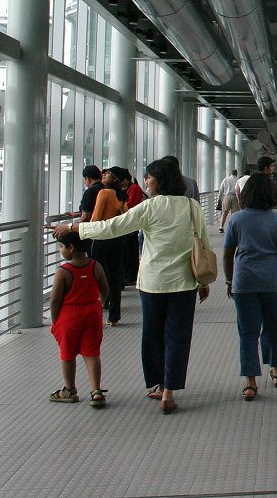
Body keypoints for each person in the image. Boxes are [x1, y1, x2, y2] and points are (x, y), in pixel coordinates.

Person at [53, 158, 210, 415]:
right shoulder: (192, 207)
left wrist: (72, 227)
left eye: (149, 177)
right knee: (178, 337)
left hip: (153, 283)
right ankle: (169, 391)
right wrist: (202, 281)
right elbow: (203, 244)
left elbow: (111, 227)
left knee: (153, 335)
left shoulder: (149, 207)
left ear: (160, 179)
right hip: (184, 282)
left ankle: (159, 384)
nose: (145, 181)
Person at [224, 172, 277, 400]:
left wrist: (229, 279)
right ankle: (276, 369)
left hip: (243, 282)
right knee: (274, 327)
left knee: (247, 332)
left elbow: (227, 254)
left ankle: (251, 381)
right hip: (273, 282)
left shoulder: (236, 219)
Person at [48, 232, 109, 407]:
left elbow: (55, 299)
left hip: (69, 315)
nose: (60, 250)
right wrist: (101, 303)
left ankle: (69, 389)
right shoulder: (95, 266)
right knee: (92, 352)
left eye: (61, 246)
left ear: (71, 247)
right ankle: (96, 391)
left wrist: (55, 319)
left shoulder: (63, 271)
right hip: (92, 311)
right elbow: (105, 289)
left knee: (67, 354)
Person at [90, 167, 129, 326]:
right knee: (113, 277)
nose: (104, 175)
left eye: (108, 174)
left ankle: (96, 311)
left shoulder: (103, 193)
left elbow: (96, 218)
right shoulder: (120, 196)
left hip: (102, 239)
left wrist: (83, 231)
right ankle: (114, 316)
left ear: (114, 179)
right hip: (118, 239)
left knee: (96, 276)